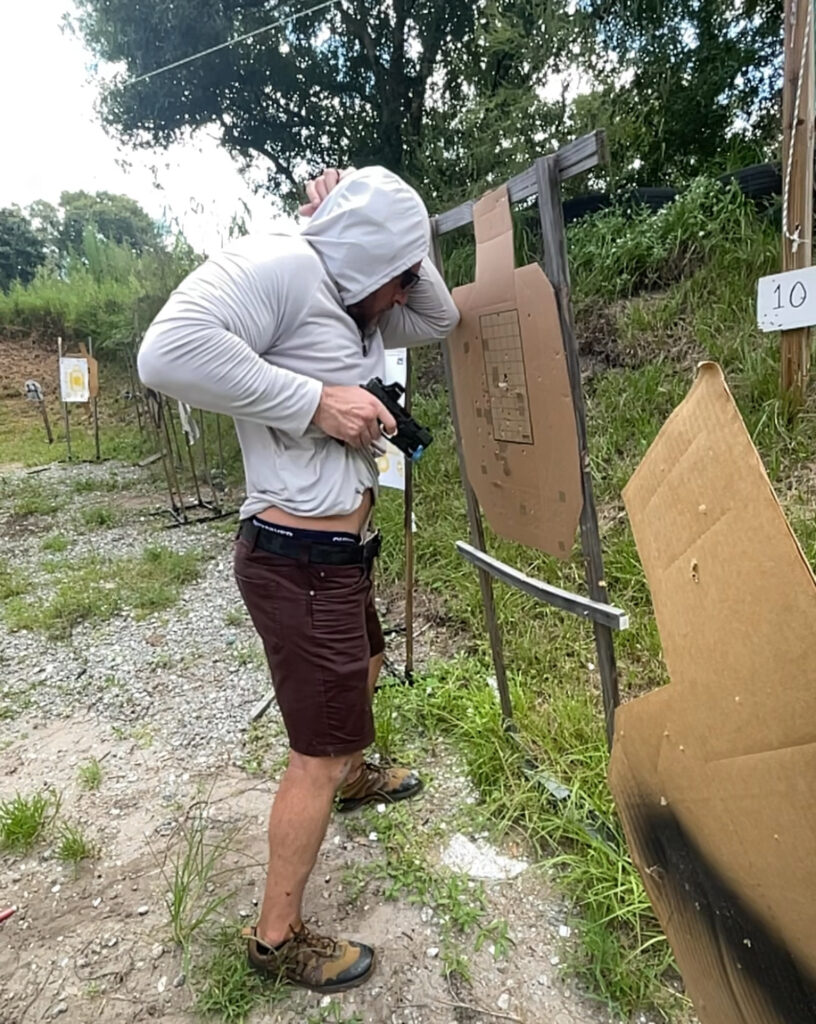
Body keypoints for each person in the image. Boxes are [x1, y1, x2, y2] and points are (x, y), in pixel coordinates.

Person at [137, 166, 460, 993]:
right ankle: (276, 939)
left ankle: (354, 775)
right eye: (397, 274)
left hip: (340, 559)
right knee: (316, 751)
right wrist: (316, 403)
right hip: (296, 561)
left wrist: (387, 237)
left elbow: (442, 314)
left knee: (368, 665)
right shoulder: (280, 265)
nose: (403, 293)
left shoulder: (372, 289)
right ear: (357, 259)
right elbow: (164, 353)